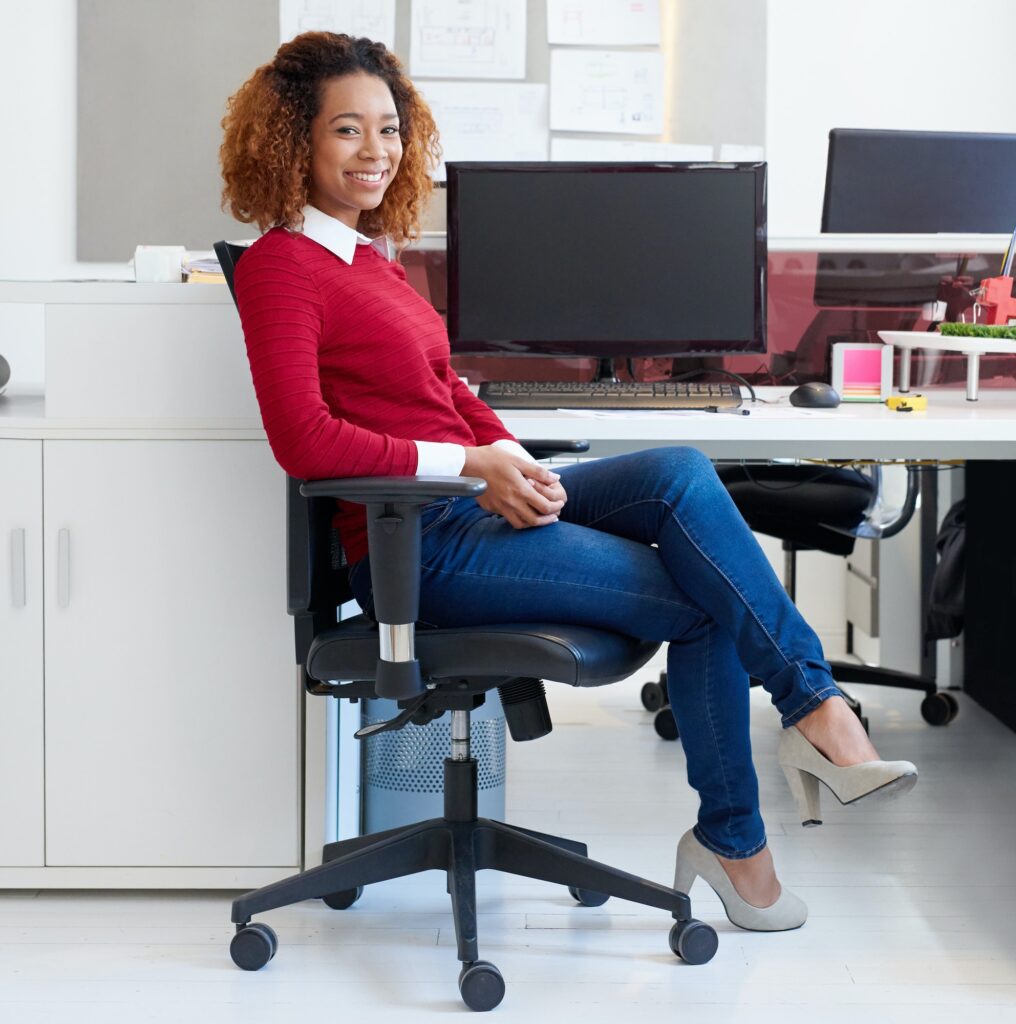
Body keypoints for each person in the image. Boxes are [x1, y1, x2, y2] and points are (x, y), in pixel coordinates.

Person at [220, 32, 918, 933]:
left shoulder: (372, 260)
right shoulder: (284, 266)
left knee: (680, 470)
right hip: (420, 546)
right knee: (709, 596)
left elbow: (443, 396)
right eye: (347, 130)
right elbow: (304, 440)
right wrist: (474, 469)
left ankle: (806, 720)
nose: (375, 152)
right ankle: (755, 814)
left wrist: (518, 463)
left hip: (473, 505)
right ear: (294, 141)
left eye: (388, 130)